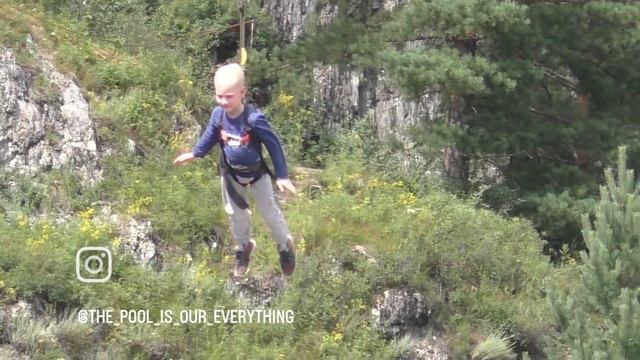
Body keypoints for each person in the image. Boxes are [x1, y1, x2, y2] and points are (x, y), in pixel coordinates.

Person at [173, 63, 296, 277]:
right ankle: (243, 247)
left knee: (269, 213)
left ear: (243, 93)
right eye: (219, 96)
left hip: (257, 173)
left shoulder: (253, 119)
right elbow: (211, 135)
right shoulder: (218, 116)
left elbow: (273, 144)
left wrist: (282, 175)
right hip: (231, 174)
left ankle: (285, 246)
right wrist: (195, 153)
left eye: (229, 97)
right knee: (236, 214)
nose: (223, 101)